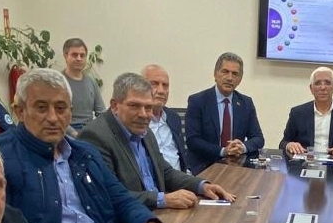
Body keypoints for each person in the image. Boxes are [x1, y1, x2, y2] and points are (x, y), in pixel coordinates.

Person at [0, 68, 177, 223]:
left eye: (61, 108)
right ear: (20, 111)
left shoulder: (84, 154)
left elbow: (119, 198)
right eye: (41, 108)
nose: (53, 117)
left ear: (70, 112)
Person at [81, 72, 233, 209]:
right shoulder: (95, 136)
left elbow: (166, 172)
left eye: (148, 107)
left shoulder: (144, 132)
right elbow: (109, 194)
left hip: (157, 213)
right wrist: (162, 199)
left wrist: (201, 185)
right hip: (129, 222)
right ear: (115, 105)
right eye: (134, 106)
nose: (143, 114)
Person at [184, 52, 265, 173]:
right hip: (204, 166)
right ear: (215, 74)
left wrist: (242, 147)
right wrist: (223, 151)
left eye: (235, 74)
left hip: (235, 166)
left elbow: (258, 138)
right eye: (225, 72)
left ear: (239, 79)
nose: (229, 78)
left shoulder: (246, 103)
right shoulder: (197, 101)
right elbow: (193, 140)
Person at [279, 66, 333, 159]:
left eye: (327, 83)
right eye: (318, 83)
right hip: (304, 163)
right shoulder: (297, 113)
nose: (323, 87)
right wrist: (289, 145)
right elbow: (283, 143)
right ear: (311, 88)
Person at [141, 63, 189, 172]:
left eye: (165, 85)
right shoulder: (136, 120)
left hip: (180, 177)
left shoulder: (173, 117)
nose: (161, 91)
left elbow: (182, 158)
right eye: (154, 84)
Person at [61, 37, 104, 131]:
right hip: (66, 132)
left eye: (82, 55)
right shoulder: (58, 82)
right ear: (65, 56)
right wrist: (74, 135)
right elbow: (57, 117)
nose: (79, 59)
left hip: (89, 131)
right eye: (74, 55)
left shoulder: (91, 81)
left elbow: (101, 113)